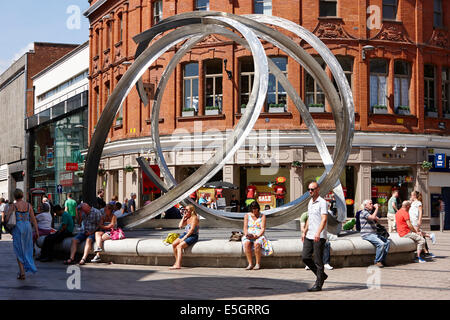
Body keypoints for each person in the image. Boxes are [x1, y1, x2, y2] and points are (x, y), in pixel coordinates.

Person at [5, 189, 39, 280]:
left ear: (15, 196)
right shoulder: (28, 205)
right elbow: (33, 219)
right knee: (27, 248)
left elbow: (7, 219)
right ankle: (28, 267)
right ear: (22, 195)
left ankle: (22, 272)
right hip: (27, 227)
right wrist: (37, 230)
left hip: (18, 227)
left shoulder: (14, 206)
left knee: (19, 249)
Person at [302, 182, 329, 292]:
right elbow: (309, 217)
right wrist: (304, 231)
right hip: (309, 234)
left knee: (318, 260)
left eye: (312, 189)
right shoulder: (310, 202)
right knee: (305, 257)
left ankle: (318, 284)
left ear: (318, 189)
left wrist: (318, 233)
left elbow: (324, 219)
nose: (310, 191)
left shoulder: (322, 202)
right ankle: (321, 275)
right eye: (309, 189)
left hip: (319, 235)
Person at [359, 199, 390, 268]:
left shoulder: (369, 212)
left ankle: (382, 260)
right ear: (365, 205)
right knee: (381, 244)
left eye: (372, 203)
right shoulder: (363, 212)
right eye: (370, 204)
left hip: (373, 234)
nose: (372, 205)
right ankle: (377, 261)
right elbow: (372, 217)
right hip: (367, 234)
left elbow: (376, 218)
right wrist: (377, 209)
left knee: (387, 242)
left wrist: (375, 214)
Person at [170, 204, 199, 270]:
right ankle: (177, 261)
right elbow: (180, 226)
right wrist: (183, 218)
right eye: (184, 210)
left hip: (193, 235)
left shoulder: (194, 218)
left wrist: (184, 238)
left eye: (186, 210)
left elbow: (191, 230)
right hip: (185, 234)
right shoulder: (187, 217)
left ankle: (178, 264)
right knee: (174, 244)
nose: (185, 211)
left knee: (179, 246)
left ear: (191, 211)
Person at [241, 201, 269, 271]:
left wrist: (257, 236)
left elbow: (262, 229)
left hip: (258, 234)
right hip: (249, 234)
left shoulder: (262, 216)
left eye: (255, 209)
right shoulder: (247, 215)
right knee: (247, 243)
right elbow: (245, 227)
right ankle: (250, 264)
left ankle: (257, 263)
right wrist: (246, 234)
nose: (254, 211)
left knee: (257, 244)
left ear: (258, 209)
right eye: (253, 209)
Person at [409, 191, 436, 257]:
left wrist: (419, 220)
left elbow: (420, 212)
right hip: (412, 220)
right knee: (419, 233)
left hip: (415, 220)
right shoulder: (412, 203)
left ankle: (429, 237)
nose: (411, 196)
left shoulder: (418, 203)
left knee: (417, 233)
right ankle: (426, 251)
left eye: (412, 195)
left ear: (415, 196)